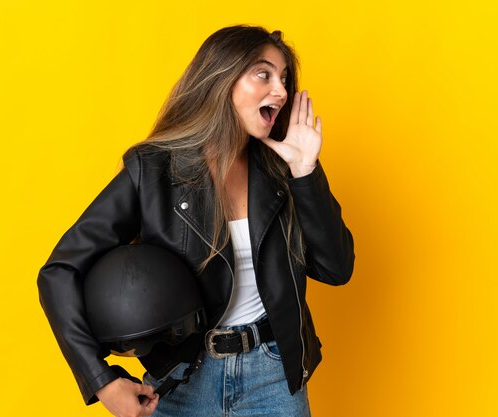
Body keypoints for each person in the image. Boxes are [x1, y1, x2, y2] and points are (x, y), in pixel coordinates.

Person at [37, 25, 354, 417]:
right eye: (264, 74)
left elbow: (336, 268)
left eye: (284, 79)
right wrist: (99, 379)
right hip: (184, 380)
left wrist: (305, 173)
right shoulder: (152, 170)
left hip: (273, 376)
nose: (282, 91)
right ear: (222, 78)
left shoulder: (281, 172)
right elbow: (59, 270)